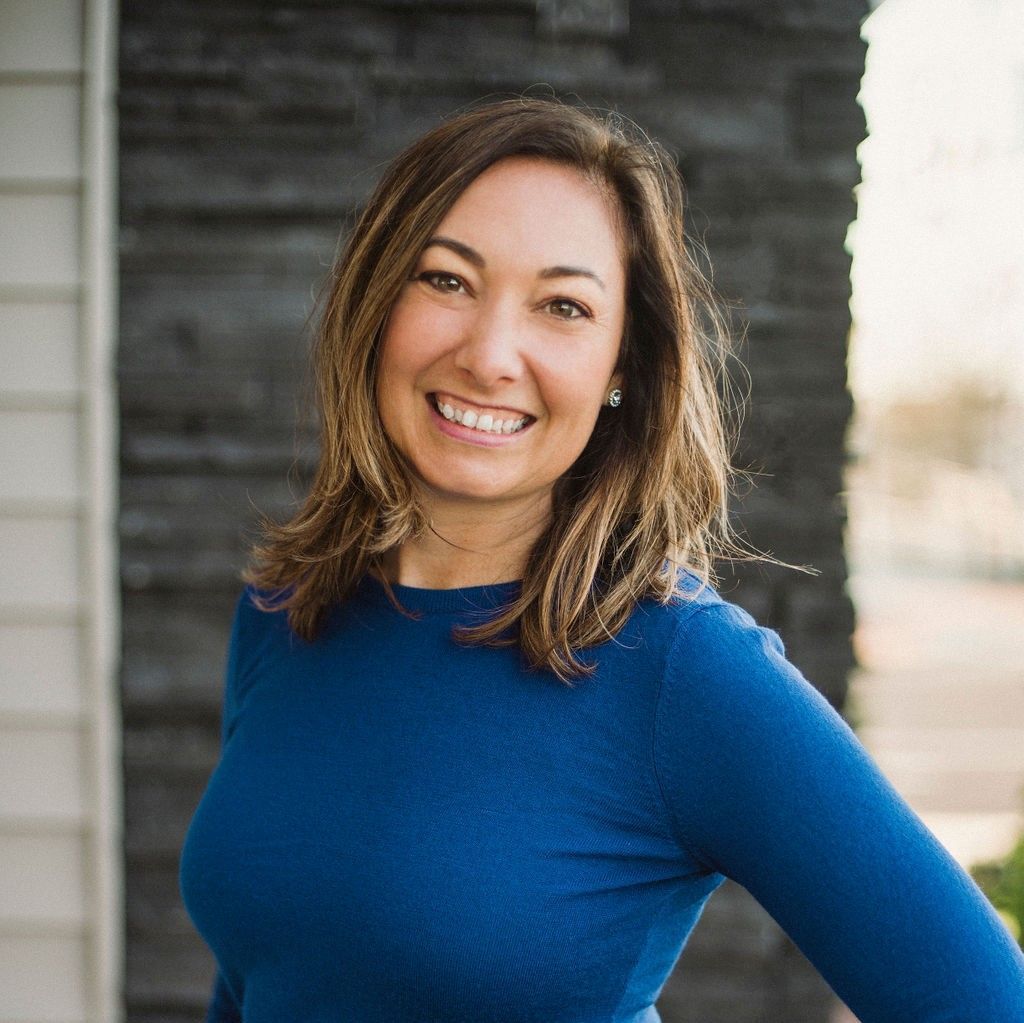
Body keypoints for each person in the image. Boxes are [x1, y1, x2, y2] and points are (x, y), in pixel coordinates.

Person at [179, 98, 1024, 1022]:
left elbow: (981, 998)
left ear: (624, 364)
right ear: (376, 305)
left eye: (564, 306)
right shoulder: (285, 609)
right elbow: (258, 975)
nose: (492, 353)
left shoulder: (681, 671)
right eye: (447, 280)